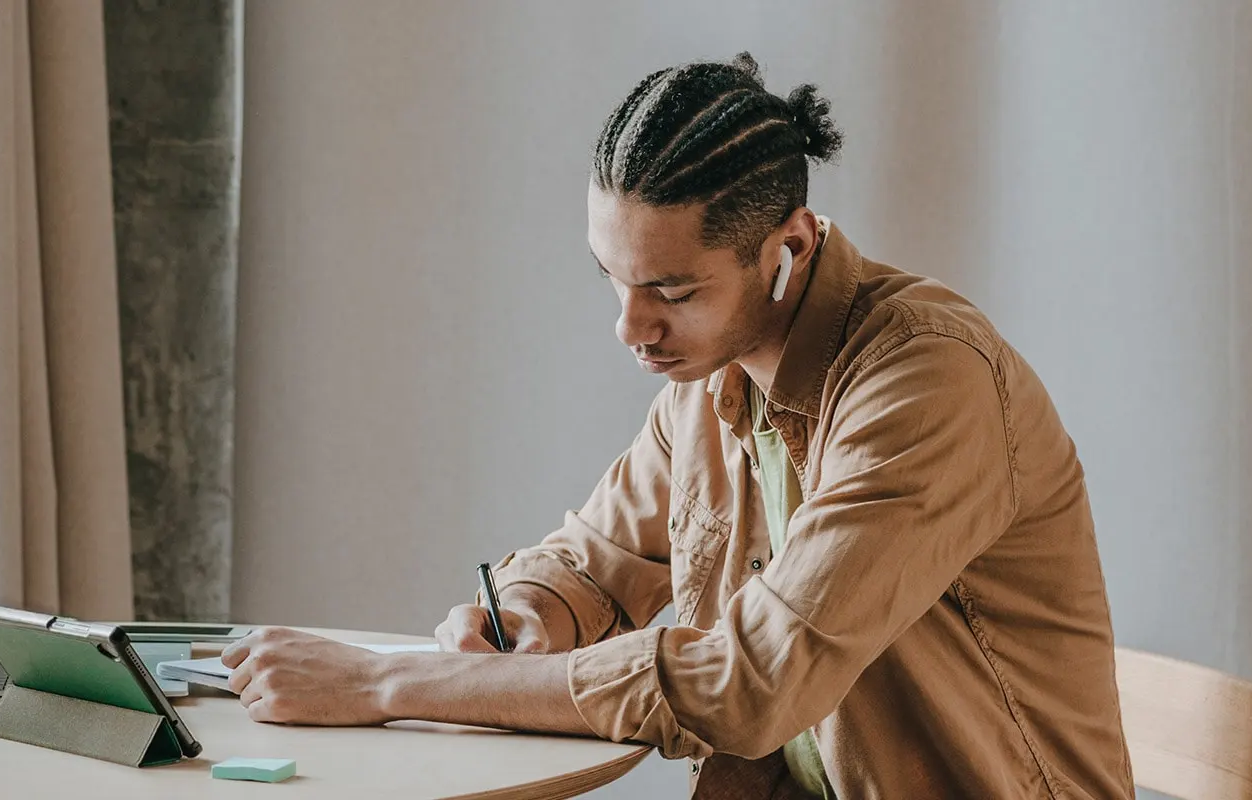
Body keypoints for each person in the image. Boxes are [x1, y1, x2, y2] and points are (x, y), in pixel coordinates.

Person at [220, 53, 1132, 798]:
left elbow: (751, 684)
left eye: (673, 291)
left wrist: (387, 684)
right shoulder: (710, 384)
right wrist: (534, 610)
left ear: (790, 250)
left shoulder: (926, 384)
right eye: (612, 281)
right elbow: (591, 557)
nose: (631, 328)